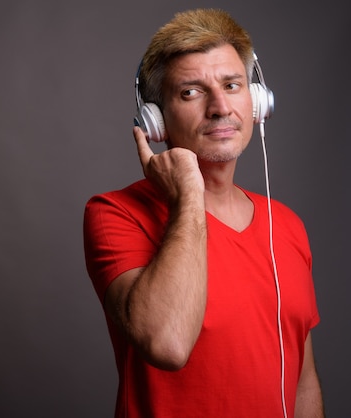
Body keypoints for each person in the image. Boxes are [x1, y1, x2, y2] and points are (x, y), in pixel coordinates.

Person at [83, 8, 324, 418]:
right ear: (156, 121)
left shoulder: (286, 225)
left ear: (257, 102)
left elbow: (302, 383)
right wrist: (189, 194)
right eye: (191, 92)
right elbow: (168, 344)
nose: (219, 107)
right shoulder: (114, 214)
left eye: (232, 85)